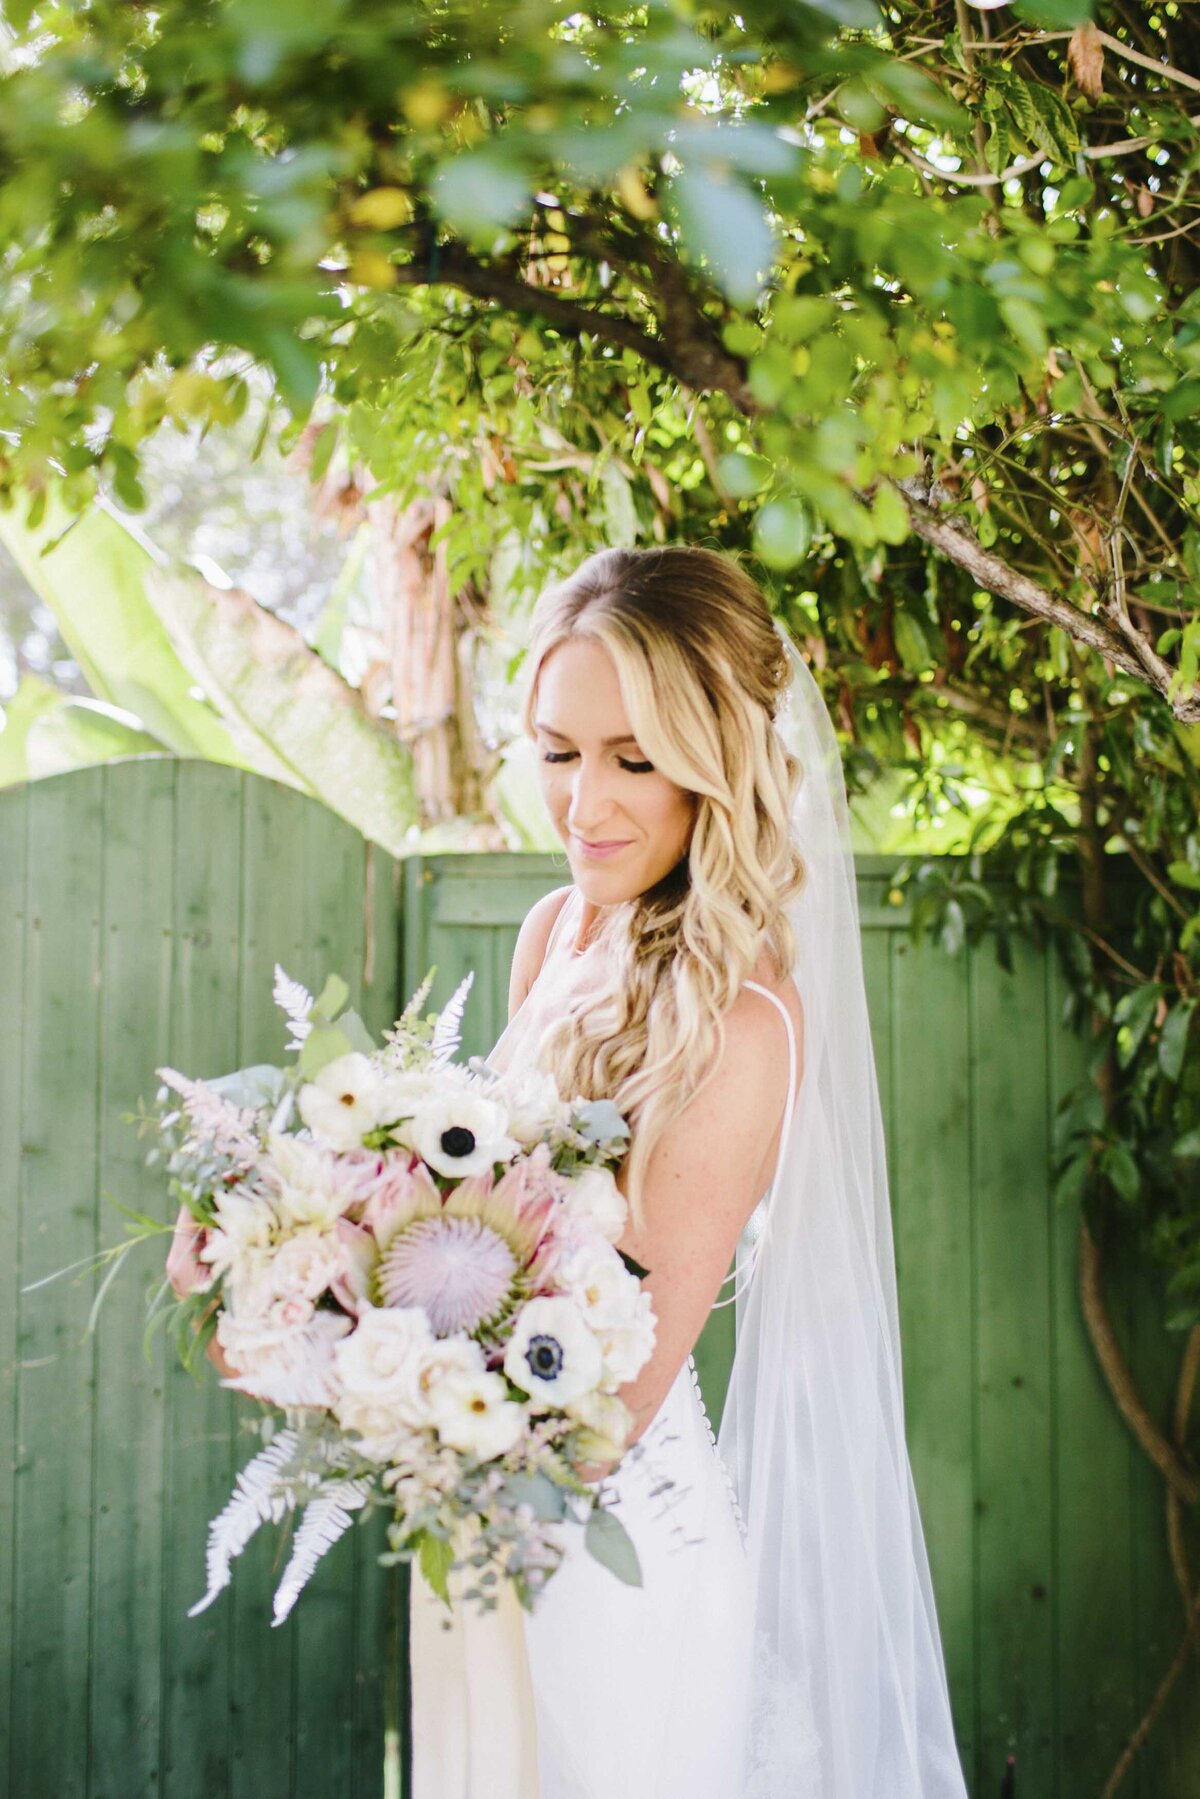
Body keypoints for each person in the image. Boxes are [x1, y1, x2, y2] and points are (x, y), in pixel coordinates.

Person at [171, 543, 968, 1798]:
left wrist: (329, 1362)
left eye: (633, 759)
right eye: (557, 749)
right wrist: (284, 1257)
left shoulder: (743, 1026)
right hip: (492, 1535)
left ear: (717, 766)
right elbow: (460, 1216)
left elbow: (611, 1400)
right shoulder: (563, 927)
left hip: (618, 1554)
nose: (583, 800)